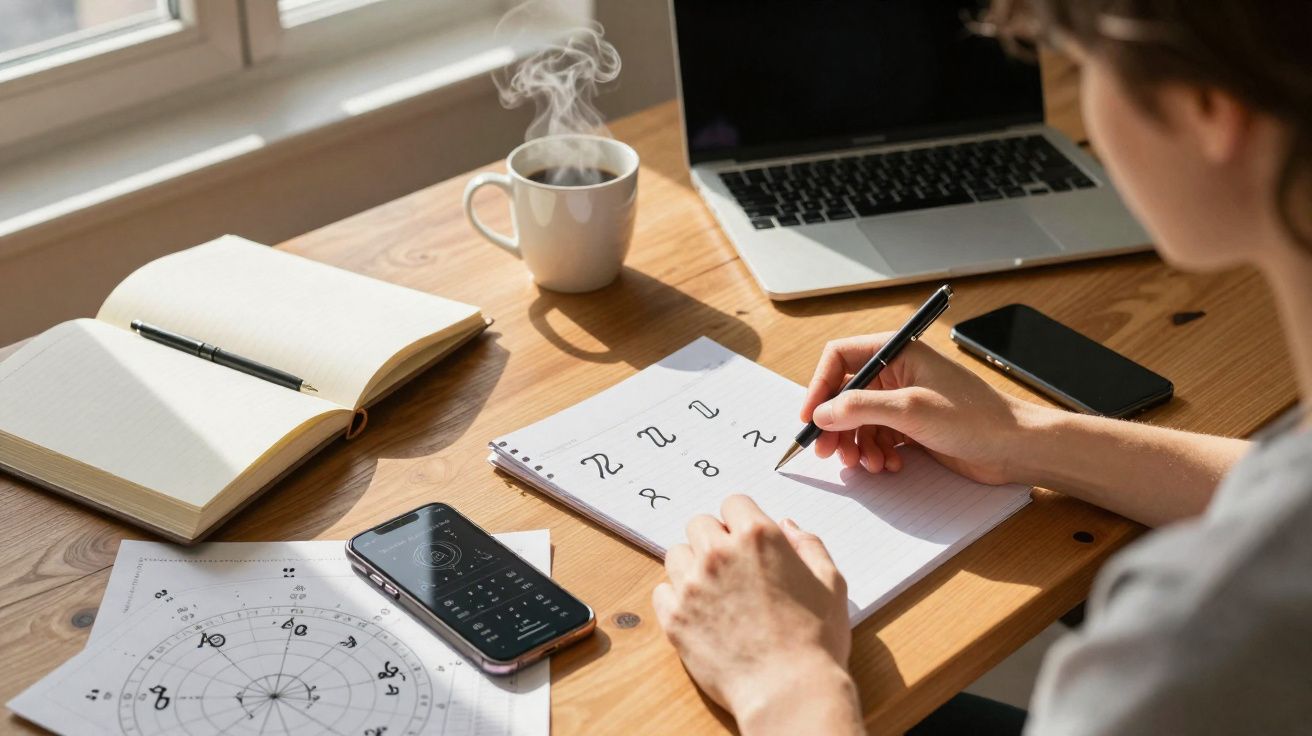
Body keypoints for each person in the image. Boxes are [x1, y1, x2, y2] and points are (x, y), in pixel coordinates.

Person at [650, 1, 1312, 733]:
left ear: (1207, 108)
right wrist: (1022, 434)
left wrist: (783, 679)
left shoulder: (1186, 645)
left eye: (1084, 67)